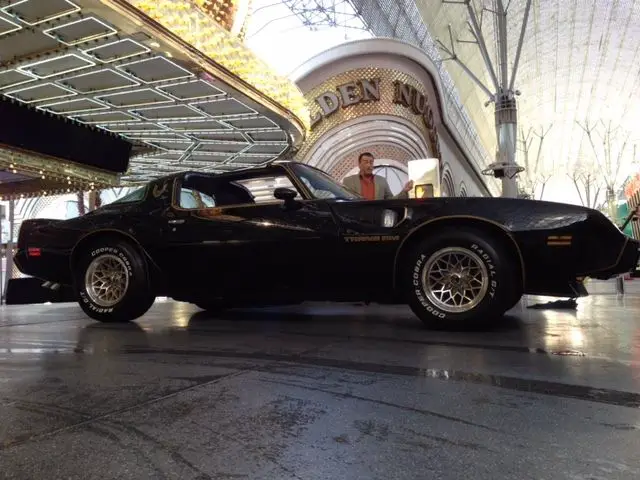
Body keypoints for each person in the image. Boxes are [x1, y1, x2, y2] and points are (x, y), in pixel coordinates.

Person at [342, 152, 414, 200]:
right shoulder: (348, 181)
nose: (369, 165)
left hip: (377, 216)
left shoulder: (382, 180)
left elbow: (390, 200)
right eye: (366, 162)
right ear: (359, 164)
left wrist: (404, 191)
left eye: (371, 162)